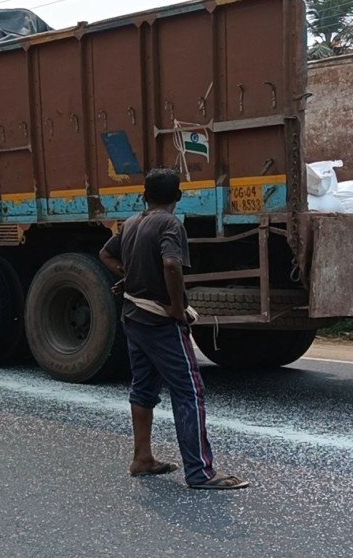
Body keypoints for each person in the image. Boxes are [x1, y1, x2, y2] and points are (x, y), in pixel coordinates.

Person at [99, 168, 249, 490]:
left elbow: (106, 253)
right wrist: (178, 309)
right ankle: (200, 472)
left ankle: (142, 458)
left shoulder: (133, 223)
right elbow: (170, 264)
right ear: (178, 197)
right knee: (190, 392)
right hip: (159, 322)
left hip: (134, 317)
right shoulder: (170, 224)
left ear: (144, 195)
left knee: (143, 388)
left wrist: (127, 275)